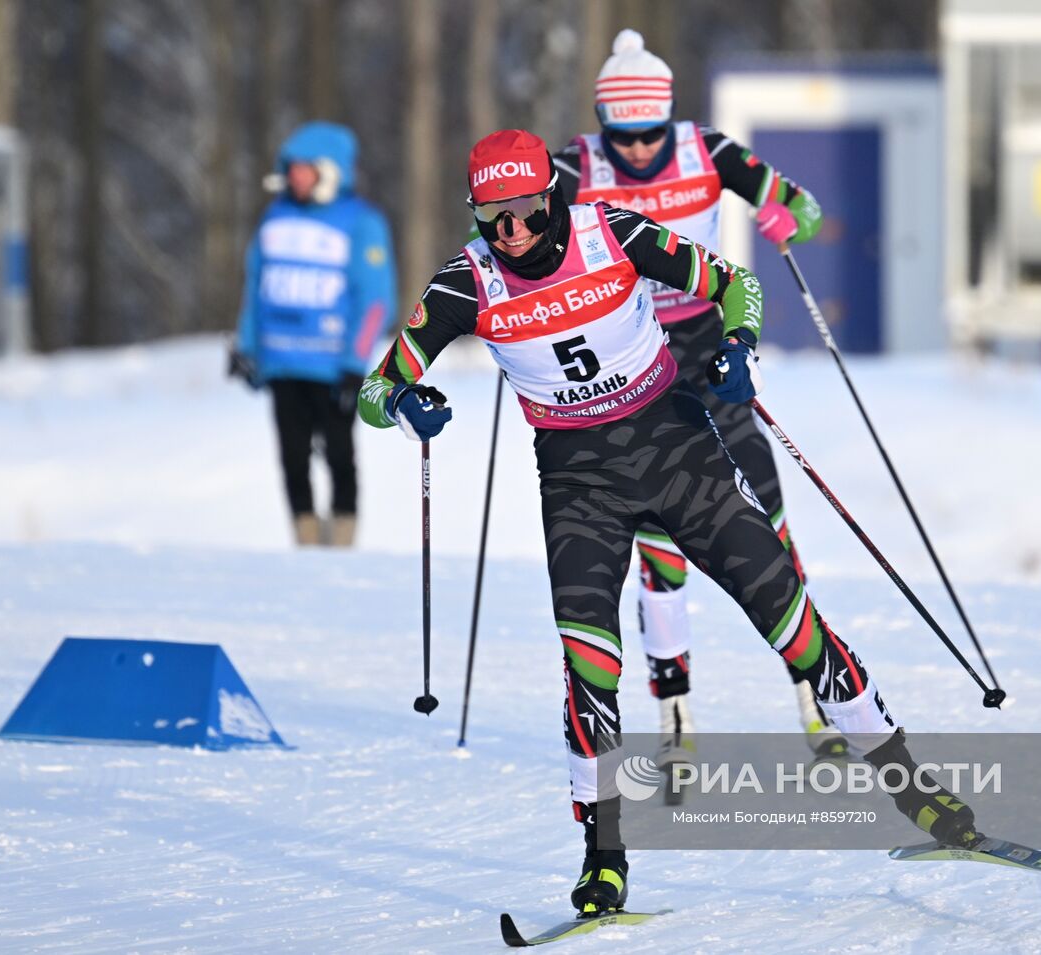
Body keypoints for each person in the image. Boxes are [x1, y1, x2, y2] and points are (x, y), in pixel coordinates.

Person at [357, 129, 978, 916]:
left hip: (680, 450)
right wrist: (408, 400)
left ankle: (913, 789)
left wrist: (739, 345)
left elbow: (736, 285)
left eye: (524, 212)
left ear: (552, 195)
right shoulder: (465, 284)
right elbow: (374, 394)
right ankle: (603, 855)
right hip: (579, 483)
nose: (511, 233)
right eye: (492, 217)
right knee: (589, 669)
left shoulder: (610, 230)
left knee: (790, 620)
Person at [553, 30, 836, 763]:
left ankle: (817, 696)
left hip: (709, 342)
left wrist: (782, 219)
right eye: (625, 135)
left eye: (651, 133)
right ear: (602, 121)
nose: (640, 151)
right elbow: (502, 243)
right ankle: (676, 716)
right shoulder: (572, 167)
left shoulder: (706, 150)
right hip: (632, 360)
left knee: (765, 510)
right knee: (661, 534)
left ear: (669, 119)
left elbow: (801, 207)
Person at [231, 121, 396, 547]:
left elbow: (375, 300)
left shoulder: (361, 223)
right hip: (283, 363)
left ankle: (342, 537)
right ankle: (304, 536)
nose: (295, 177)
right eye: (291, 169)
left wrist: (353, 364)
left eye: (305, 169)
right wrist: (246, 347)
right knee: (292, 456)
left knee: (340, 455)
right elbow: (256, 287)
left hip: (333, 367)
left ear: (331, 171)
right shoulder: (274, 217)